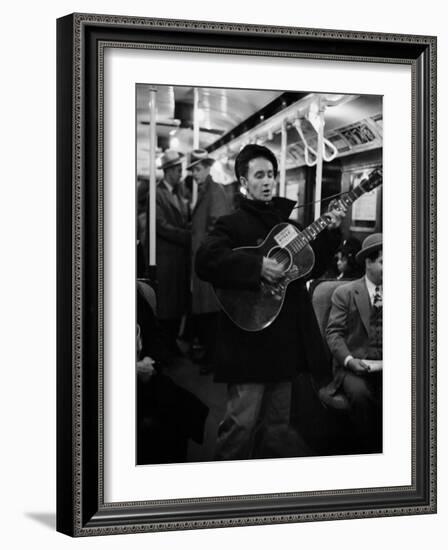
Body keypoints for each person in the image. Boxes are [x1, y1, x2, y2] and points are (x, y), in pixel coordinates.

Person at [195, 144, 345, 461]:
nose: (267, 181)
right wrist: (256, 267)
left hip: (282, 342)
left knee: (276, 429)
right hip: (247, 339)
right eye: (259, 175)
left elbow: (310, 266)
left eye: (271, 175)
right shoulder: (230, 224)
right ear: (243, 181)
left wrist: (330, 234)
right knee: (241, 426)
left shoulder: (287, 226)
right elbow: (206, 260)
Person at [325, 233, 383, 452]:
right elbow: (334, 334)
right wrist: (349, 360)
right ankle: (368, 451)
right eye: (383, 262)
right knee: (361, 396)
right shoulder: (345, 293)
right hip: (353, 366)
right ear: (368, 262)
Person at [188, 149, 233, 374]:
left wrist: (205, 249)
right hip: (202, 260)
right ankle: (209, 354)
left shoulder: (214, 192)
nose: (194, 174)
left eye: (197, 169)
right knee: (205, 312)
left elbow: (218, 227)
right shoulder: (206, 191)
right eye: (193, 170)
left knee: (210, 313)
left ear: (207, 168)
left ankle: (213, 358)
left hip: (209, 261)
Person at [155, 149, 191, 355]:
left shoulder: (179, 193)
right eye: (178, 169)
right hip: (167, 258)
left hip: (179, 258)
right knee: (167, 306)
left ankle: (172, 344)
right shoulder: (157, 194)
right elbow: (161, 226)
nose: (180, 173)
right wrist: (188, 236)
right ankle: (166, 347)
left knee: (177, 305)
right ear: (168, 171)